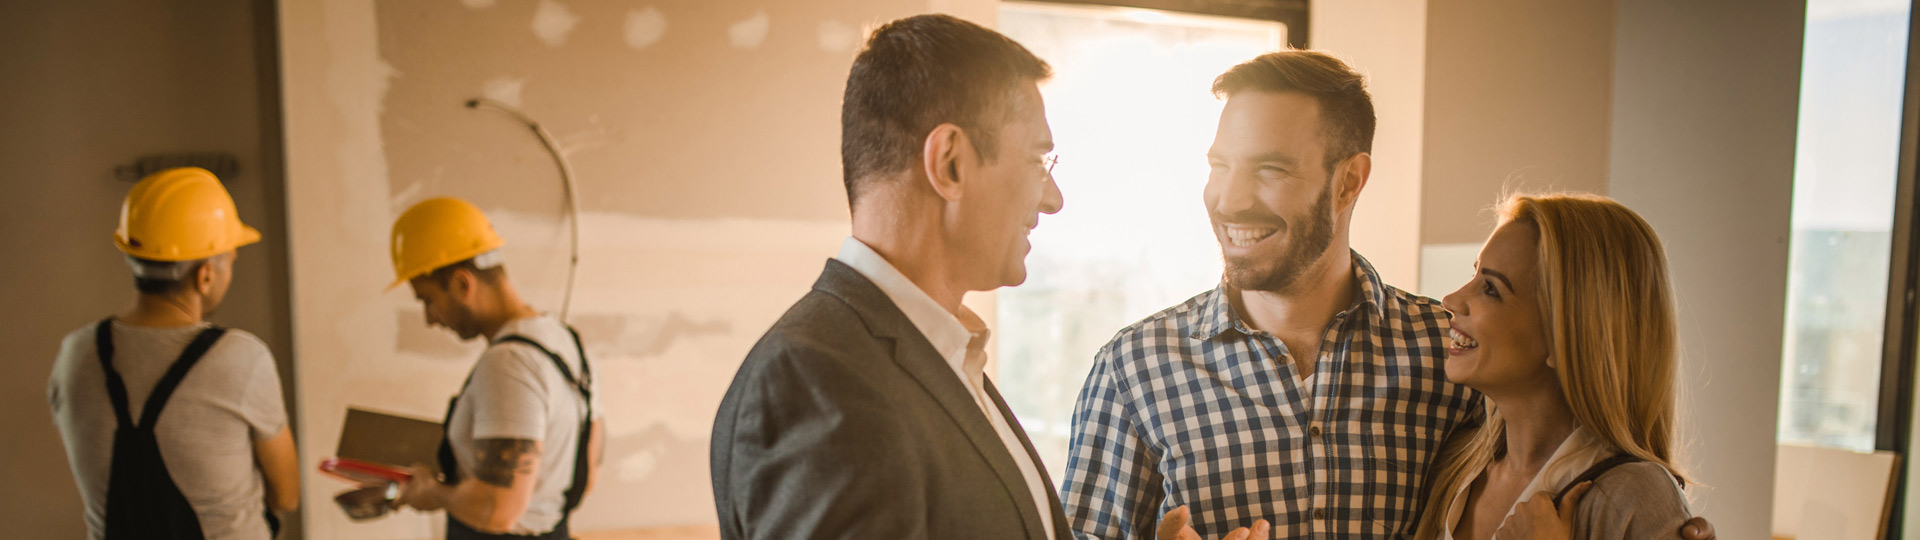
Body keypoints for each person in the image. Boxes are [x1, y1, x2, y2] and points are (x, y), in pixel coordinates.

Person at [1058, 51, 1716, 540]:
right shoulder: (1132, 373)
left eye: (1270, 169)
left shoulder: (1456, 364)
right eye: (1220, 165)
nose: (1229, 198)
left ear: (1349, 183)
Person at [708, 13, 1103, 540]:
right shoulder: (815, 381)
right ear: (951, 163)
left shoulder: (936, 355)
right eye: (1037, 161)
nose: (1052, 199)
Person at [1417, 193, 1690, 540]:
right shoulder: (1458, 468)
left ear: (1566, 337)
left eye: (1490, 289)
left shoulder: (1634, 498)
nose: (1451, 300)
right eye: (1475, 275)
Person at [49, 166, 300, 540]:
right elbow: (286, 495)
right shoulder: (242, 359)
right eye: (230, 259)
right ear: (205, 276)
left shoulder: (75, 354)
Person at [387, 197, 605, 540]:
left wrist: (431, 493)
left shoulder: (508, 363)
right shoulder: (566, 341)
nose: (429, 319)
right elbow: (587, 473)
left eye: (428, 300)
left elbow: (497, 508)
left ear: (462, 284)